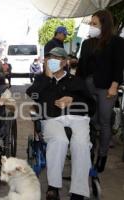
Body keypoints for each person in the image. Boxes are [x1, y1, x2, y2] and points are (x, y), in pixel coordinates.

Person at [26, 47, 95, 200]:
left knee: (81, 144)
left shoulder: (76, 81)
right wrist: (46, 77)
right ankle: (53, 186)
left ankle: (78, 192)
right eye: (49, 58)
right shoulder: (41, 80)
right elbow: (33, 94)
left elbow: (91, 105)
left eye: (56, 58)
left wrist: (73, 100)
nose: (52, 61)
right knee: (59, 140)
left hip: (78, 118)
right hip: (52, 118)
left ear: (64, 62)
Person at [76, 10, 124, 173]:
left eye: (94, 23)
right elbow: (82, 66)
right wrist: (77, 86)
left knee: (104, 120)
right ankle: (88, 151)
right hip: (88, 87)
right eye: (90, 23)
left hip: (106, 87)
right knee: (90, 119)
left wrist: (114, 85)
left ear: (104, 25)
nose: (91, 26)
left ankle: (102, 155)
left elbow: (119, 65)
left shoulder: (117, 42)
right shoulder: (86, 43)